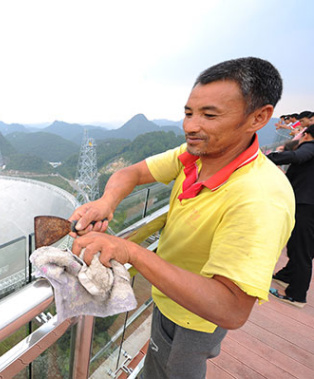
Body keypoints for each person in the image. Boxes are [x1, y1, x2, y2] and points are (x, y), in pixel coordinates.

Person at [68, 57, 295, 379]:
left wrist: (131, 251)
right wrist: (106, 202)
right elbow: (131, 172)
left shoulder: (260, 197)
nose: (190, 126)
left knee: (175, 371)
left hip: (196, 318)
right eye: (189, 113)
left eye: (209, 115)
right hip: (170, 295)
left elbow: (231, 309)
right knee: (156, 367)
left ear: (259, 117)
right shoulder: (198, 155)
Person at [268, 125, 314, 307]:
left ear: (307, 135)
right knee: (299, 244)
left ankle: (296, 295)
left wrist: (269, 158)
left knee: (301, 248)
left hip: (306, 205)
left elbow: (297, 156)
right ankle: (286, 276)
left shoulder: (310, 146)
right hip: (307, 203)